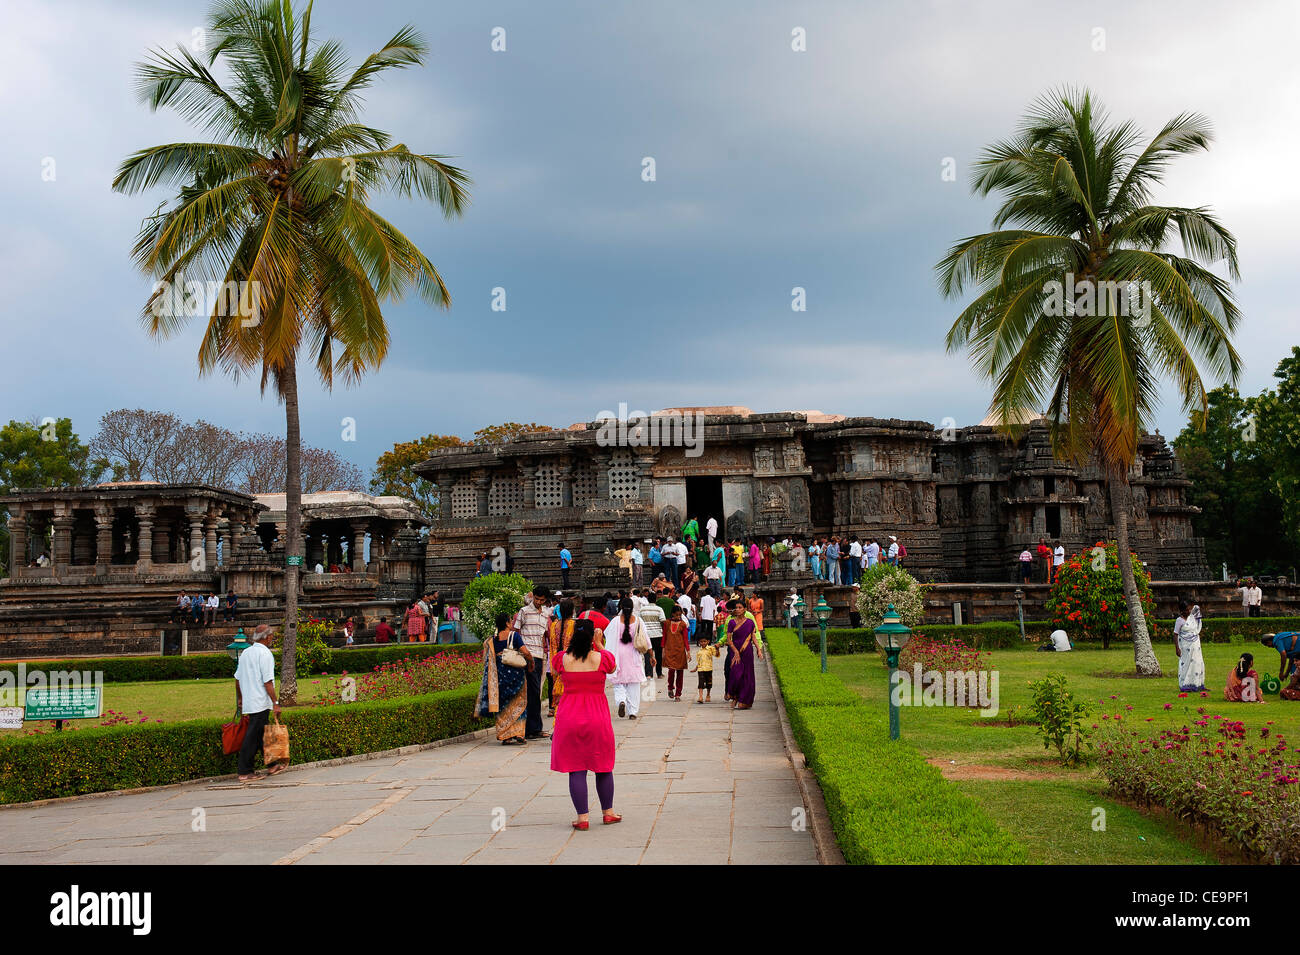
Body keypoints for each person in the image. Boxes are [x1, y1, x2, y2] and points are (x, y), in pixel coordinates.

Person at [550, 618, 619, 829]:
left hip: (569, 716)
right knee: (603, 767)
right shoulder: (602, 658)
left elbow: (554, 672)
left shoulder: (562, 659)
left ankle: (583, 818)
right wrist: (599, 644)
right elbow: (613, 666)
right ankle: (608, 813)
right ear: (593, 636)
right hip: (597, 717)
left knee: (576, 769)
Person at [474, 611, 533, 745]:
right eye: (510, 620)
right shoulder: (514, 636)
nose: (511, 622)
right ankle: (518, 733)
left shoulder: (492, 640)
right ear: (507, 623)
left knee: (503, 704)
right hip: (516, 676)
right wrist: (531, 661)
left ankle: (505, 735)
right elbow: (525, 652)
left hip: (499, 677)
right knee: (519, 702)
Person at [233, 624, 282, 782]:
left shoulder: (246, 653)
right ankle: (245, 771)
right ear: (267, 637)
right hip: (260, 701)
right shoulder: (265, 654)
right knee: (253, 736)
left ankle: (272, 765)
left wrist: (240, 698)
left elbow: (237, 679)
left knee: (261, 733)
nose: (272, 639)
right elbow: (268, 682)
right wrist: (275, 702)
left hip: (250, 700)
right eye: (271, 636)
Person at [512, 586, 552, 740]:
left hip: (540, 655)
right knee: (532, 691)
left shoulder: (546, 614)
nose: (538, 602)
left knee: (536, 692)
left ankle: (534, 728)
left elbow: (545, 635)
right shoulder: (524, 611)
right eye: (536, 598)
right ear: (533, 597)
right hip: (528, 655)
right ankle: (531, 728)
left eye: (541, 600)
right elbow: (516, 632)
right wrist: (522, 651)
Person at [606, 598, 651, 719]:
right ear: (632, 607)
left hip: (618, 655)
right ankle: (633, 712)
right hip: (633, 655)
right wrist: (651, 655)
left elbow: (607, 634)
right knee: (633, 685)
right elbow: (646, 639)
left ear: (620, 606)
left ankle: (621, 700)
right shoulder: (638, 621)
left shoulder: (615, 621)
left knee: (618, 682)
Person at [722, 599, 760, 710]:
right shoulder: (731, 622)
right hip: (735, 650)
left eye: (740, 608)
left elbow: (753, 637)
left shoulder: (750, 622)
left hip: (747, 651)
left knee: (747, 675)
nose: (738, 610)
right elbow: (729, 639)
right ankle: (734, 695)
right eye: (736, 608)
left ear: (745, 609)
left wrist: (759, 650)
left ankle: (745, 699)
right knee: (735, 673)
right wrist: (735, 652)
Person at [1173, 599, 1207, 693]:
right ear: (1181, 611)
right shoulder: (1179, 620)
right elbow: (1175, 634)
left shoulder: (1191, 618)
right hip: (1185, 647)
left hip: (1195, 646)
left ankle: (1198, 684)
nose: (1188, 611)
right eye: (1186, 610)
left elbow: (1197, 610)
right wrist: (1177, 648)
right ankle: (1186, 685)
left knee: (1197, 663)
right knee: (1187, 664)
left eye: (1189, 609)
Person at [662, 605, 691, 701]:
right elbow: (664, 637)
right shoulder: (666, 623)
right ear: (672, 614)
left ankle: (678, 693)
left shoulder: (683, 624)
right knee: (671, 671)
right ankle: (670, 687)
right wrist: (663, 650)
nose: (678, 617)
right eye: (677, 614)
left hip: (680, 651)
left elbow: (686, 639)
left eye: (680, 615)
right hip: (669, 649)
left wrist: (688, 652)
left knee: (680, 672)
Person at [1260, 632, 1300, 700]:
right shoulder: (1280, 636)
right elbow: (1291, 660)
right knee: (1294, 670)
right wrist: (1286, 673)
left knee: (1295, 672)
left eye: (1267, 645)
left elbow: (1283, 654)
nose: (1269, 647)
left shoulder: (1276, 640)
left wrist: (1281, 673)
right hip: (1297, 646)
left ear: (1269, 641)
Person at [638, 597, 666, 679]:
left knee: (647, 655)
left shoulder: (642, 610)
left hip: (646, 635)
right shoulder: (659, 609)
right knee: (658, 655)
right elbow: (663, 621)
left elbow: (639, 621)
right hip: (657, 634)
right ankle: (659, 673)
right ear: (655, 600)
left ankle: (649, 674)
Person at [692, 632, 721, 703]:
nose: (703, 643)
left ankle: (708, 694)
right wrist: (696, 668)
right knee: (700, 683)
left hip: (709, 669)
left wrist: (717, 649)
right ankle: (700, 697)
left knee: (709, 683)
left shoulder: (711, 649)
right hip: (701, 669)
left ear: (708, 641)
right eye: (701, 641)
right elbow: (699, 662)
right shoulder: (699, 652)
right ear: (699, 642)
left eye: (704, 641)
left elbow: (716, 655)